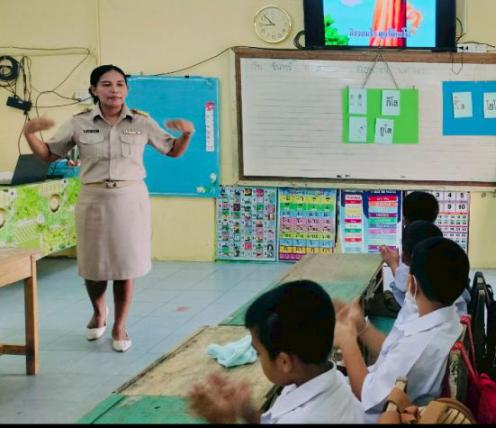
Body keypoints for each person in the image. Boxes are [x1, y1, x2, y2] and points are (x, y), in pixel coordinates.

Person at [22, 64, 194, 352]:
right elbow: (49, 155)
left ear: (126, 89)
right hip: (94, 198)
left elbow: (173, 150)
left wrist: (187, 134)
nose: (114, 90)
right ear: (94, 90)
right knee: (94, 266)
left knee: (126, 265)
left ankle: (120, 325)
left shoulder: (141, 121)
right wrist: (29, 134)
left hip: (130, 199)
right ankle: (99, 312)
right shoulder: (79, 122)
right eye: (106, 84)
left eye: (120, 84)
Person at [188, 281, 363, 424]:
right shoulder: (332, 380)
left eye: (259, 353)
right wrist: (248, 413)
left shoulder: (304, 418)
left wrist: (222, 421)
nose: (259, 358)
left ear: (284, 362)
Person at [334, 237, 469, 422]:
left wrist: (347, 340)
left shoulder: (418, 345)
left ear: (412, 283)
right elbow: (392, 352)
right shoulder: (449, 317)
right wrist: (361, 326)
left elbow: (365, 394)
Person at [380, 191, 439, 304]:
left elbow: (403, 285)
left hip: (417, 305)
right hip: (445, 305)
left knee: (377, 302)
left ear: (405, 219)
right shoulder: (439, 239)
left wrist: (392, 262)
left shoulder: (411, 240)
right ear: (435, 216)